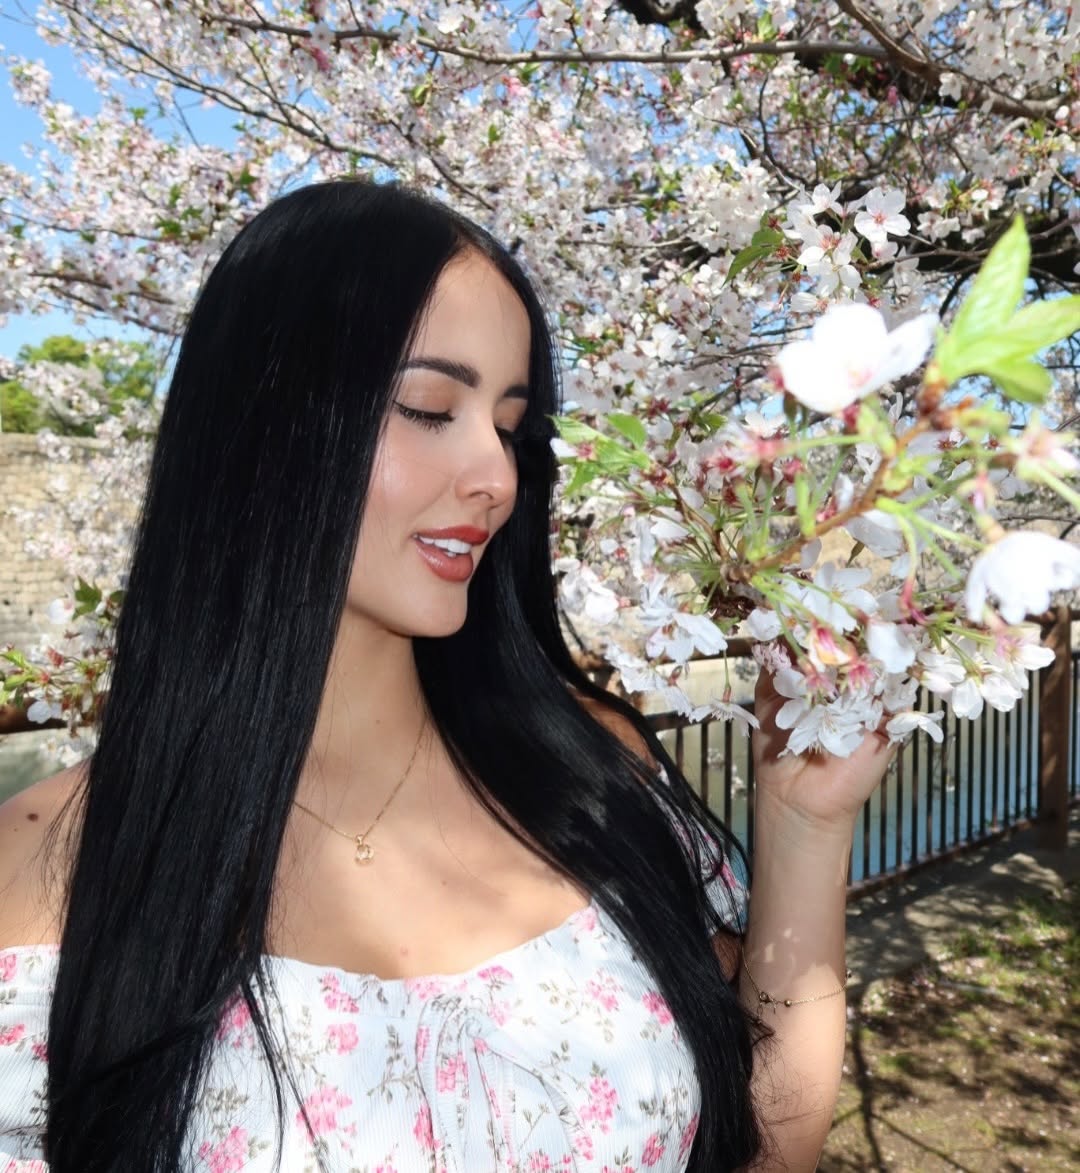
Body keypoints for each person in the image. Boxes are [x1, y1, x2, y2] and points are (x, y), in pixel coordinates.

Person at [0, 180, 893, 1172]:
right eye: (429, 407)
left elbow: (762, 1145)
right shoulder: (37, 880)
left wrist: (805, 828)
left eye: (509, 425)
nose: (497, 477)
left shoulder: (586, 773)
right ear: (265, 423)